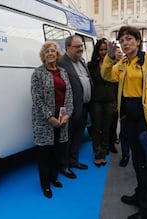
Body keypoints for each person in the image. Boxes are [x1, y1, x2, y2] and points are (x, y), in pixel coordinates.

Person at [101, 25, 147, 219]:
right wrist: (109, 57)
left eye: (129, 39)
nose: (125, 43)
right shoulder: (124, 63)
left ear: (138, 41)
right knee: (137, 160)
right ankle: (140, 195)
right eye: (122, 40)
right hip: (129, 120)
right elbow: (107, 75)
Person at [31, 41, 73, 198]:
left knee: (57, 153)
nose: (50, 53)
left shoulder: (63, 72)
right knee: (44, 156)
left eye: (53, 51)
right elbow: (36, 97)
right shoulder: (38, 73)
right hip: (44, 122)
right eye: (47, 51)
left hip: (62, 119)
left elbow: (69, 94)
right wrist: (49, 117)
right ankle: (45, 185)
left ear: (57, 55)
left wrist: (68, 113)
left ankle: (54, 178)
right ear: (43, 54)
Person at [58, 35, 92, 178]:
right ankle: (64, 166)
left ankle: (74, 161)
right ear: (67, 48)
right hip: (70, 110)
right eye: (77, 46)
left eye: (81, 46)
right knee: (67, 138)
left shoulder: (82, 61)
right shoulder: (61, 63)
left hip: (84, 107)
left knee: (78, 136)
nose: (81, 49)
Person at [87, 38, 116, 167]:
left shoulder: (114, 64)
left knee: (106, 128)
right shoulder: (91, 65)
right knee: (96, 128)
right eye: (101, 49)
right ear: (97, 51)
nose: (103, 52)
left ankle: (103, 151)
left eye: (105, 49)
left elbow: (117, 83)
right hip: (96, 101)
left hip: (110, 100)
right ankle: (97, 154)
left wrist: (116, 102)